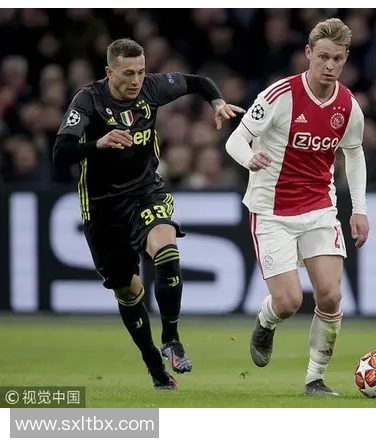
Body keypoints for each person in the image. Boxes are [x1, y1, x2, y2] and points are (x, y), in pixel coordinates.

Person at [52, 38, 245, 389]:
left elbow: (199, 82)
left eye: (141, 72)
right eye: (128, 73)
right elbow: (61, 151)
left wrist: (217, 102)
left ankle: (171, 338)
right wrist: (97, 143)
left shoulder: (153, 87)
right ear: (109, 72)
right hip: (103, 207)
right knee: (128, 290)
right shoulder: (88, 100)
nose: (136, 80)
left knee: (167, 251)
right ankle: (154, 365)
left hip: (145, 192)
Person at [225, 18, 369, 396]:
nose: (330, 65)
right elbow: (235, 140)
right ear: (308, 53)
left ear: (345, 59)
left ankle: (315, 379)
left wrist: (359, 208)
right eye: (323, 57)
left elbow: (354, 154)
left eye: (337, 59)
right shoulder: (279, 96)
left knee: (331, 295)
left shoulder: (348, 106)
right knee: (289, 301)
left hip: (320, 207)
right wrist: (249, 159)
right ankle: (266, 321)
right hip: (271, 210)